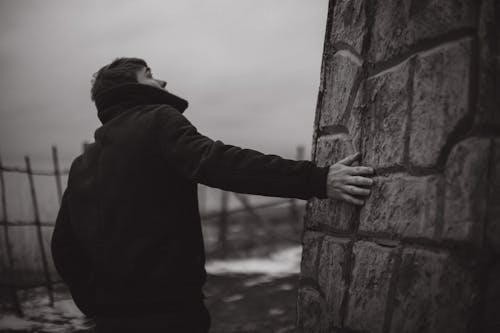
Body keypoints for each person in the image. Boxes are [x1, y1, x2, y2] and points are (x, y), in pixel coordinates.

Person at [50, 57, 374, 332]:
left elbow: (64, 247)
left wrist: (94, 302)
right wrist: (317, 179)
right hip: (170, 314)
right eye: (149, 75)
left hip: (108, 321)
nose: (162, 82)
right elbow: (219, 163)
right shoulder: (157, 121)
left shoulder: (83, 163)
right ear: (129, 88)